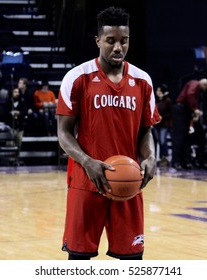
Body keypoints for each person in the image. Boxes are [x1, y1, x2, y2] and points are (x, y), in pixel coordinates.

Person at [56, 6, 160, 260]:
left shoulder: (143, 81)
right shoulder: (77, 77)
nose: (118, 48)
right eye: (110, 41)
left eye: (123, 41)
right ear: (98, 40)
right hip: (86, 180)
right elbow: (64, 133)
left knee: (132, 260)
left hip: (128, 182)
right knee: (79, 259)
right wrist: (87, 162)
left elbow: (145, 131)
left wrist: (149, 157)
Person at [171, 78, 207, 170]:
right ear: (204, 85)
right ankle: (176, 162)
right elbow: (190, 94)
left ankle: (183, 162)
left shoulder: (195, 85)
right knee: (179, 137)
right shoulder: (195, 84)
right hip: (181, 111)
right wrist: (195, 108)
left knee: (185, 137)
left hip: (185, 111)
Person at [154, 84, 173, 167]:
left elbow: (171, 113)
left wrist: (162, 117)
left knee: (163, 141)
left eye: (158, 90)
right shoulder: (157, 101)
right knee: (159, 141)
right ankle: (161, 157)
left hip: (164, 124)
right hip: (157, 124)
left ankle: (165, 157)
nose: (157, 92)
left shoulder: (168, 101)